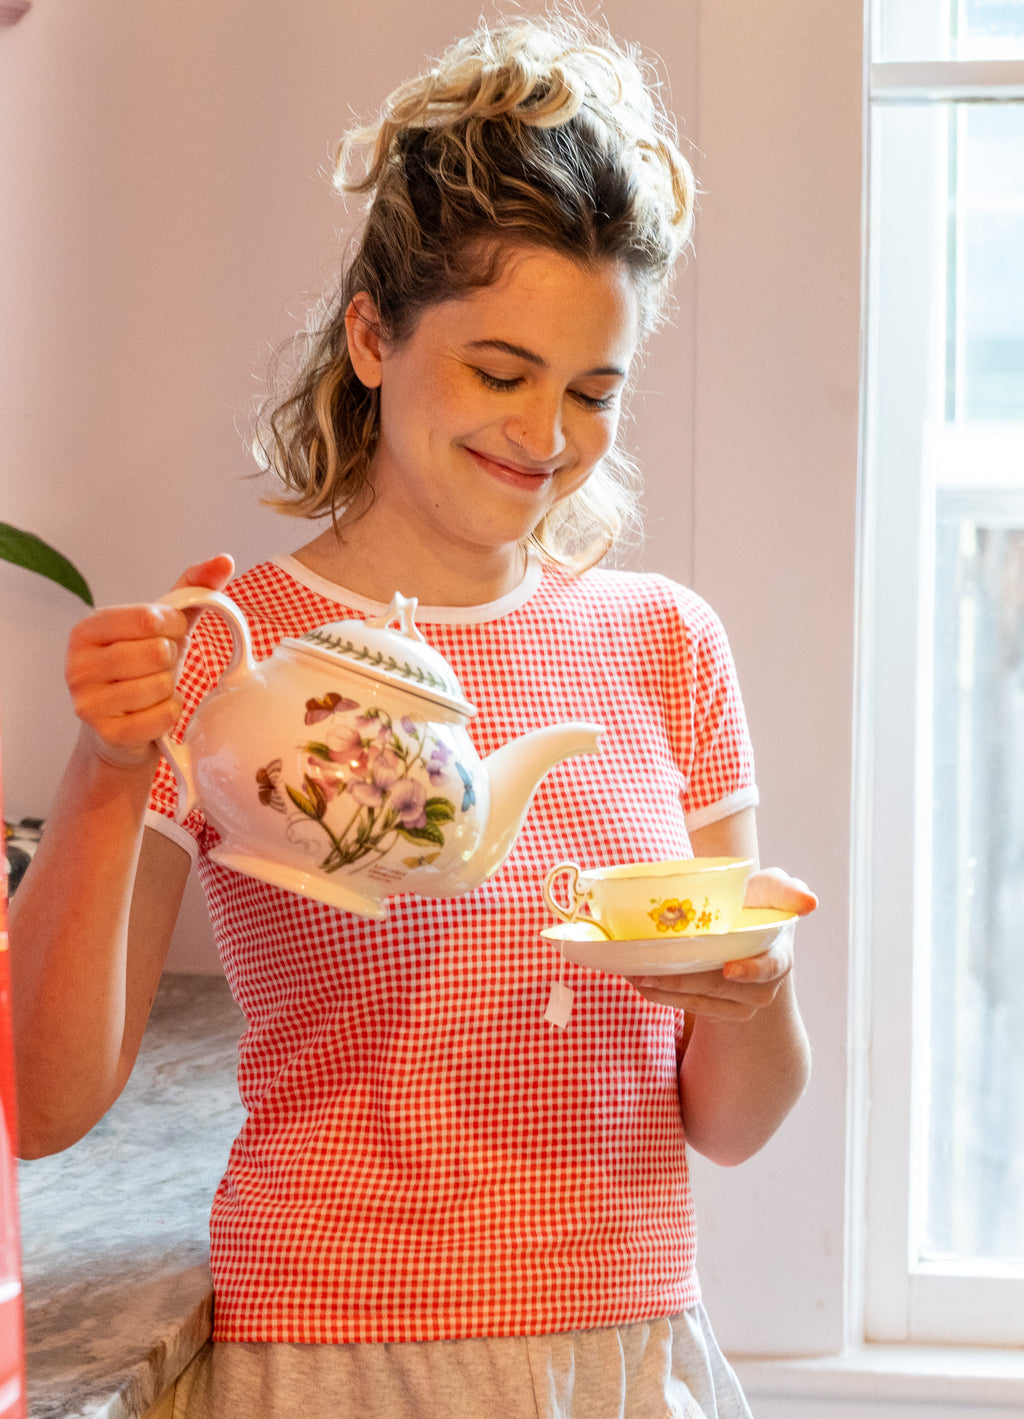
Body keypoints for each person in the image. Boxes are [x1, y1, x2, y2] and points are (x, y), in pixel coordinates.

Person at [10, 14, 816, 1417]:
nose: (547, 436)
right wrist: (101, 767)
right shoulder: (232, 650)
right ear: (375, 336)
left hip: (623, 1352)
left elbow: (734, 1124)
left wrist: (757, 995)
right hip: (333, 1355)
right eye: (500, 373)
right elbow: (45, 1100)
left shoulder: (666, 647)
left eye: (593, 391)